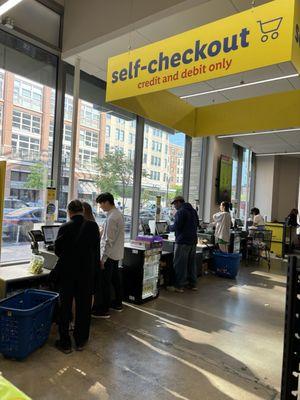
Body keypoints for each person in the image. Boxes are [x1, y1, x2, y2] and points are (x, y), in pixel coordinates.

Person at [54, 200, 100, 353]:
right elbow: (96, 251)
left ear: (69, 212)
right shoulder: (93, 226)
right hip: (86, 273)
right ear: (82, 210)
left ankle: (65, 342)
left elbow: (58, 251)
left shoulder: (64, 227)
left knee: (65, 306)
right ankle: (81, 341)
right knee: (84, 307)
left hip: (68, 274)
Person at [92, 192, 124, 318]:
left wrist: (102, 259)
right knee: (116, 280)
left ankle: (103, 310)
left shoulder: (111, 218)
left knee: (105, 283)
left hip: (109, 256)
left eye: (101, 204)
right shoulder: (117, 214)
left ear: (106, 202)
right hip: (116, 254)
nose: (100, 207)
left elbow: (108, 241)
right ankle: (117, 304)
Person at [169, 196, 199, 293]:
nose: (174, 206)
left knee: (179, 264)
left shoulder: (181, 212)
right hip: (193, 241)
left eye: (174, 204)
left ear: (178, 202)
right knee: (191, 264)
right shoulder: (193, 211)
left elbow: (176, 226)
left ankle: (179, 286)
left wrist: (168, 227)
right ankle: (193, 284)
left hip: (183, 242)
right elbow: (197, 224)